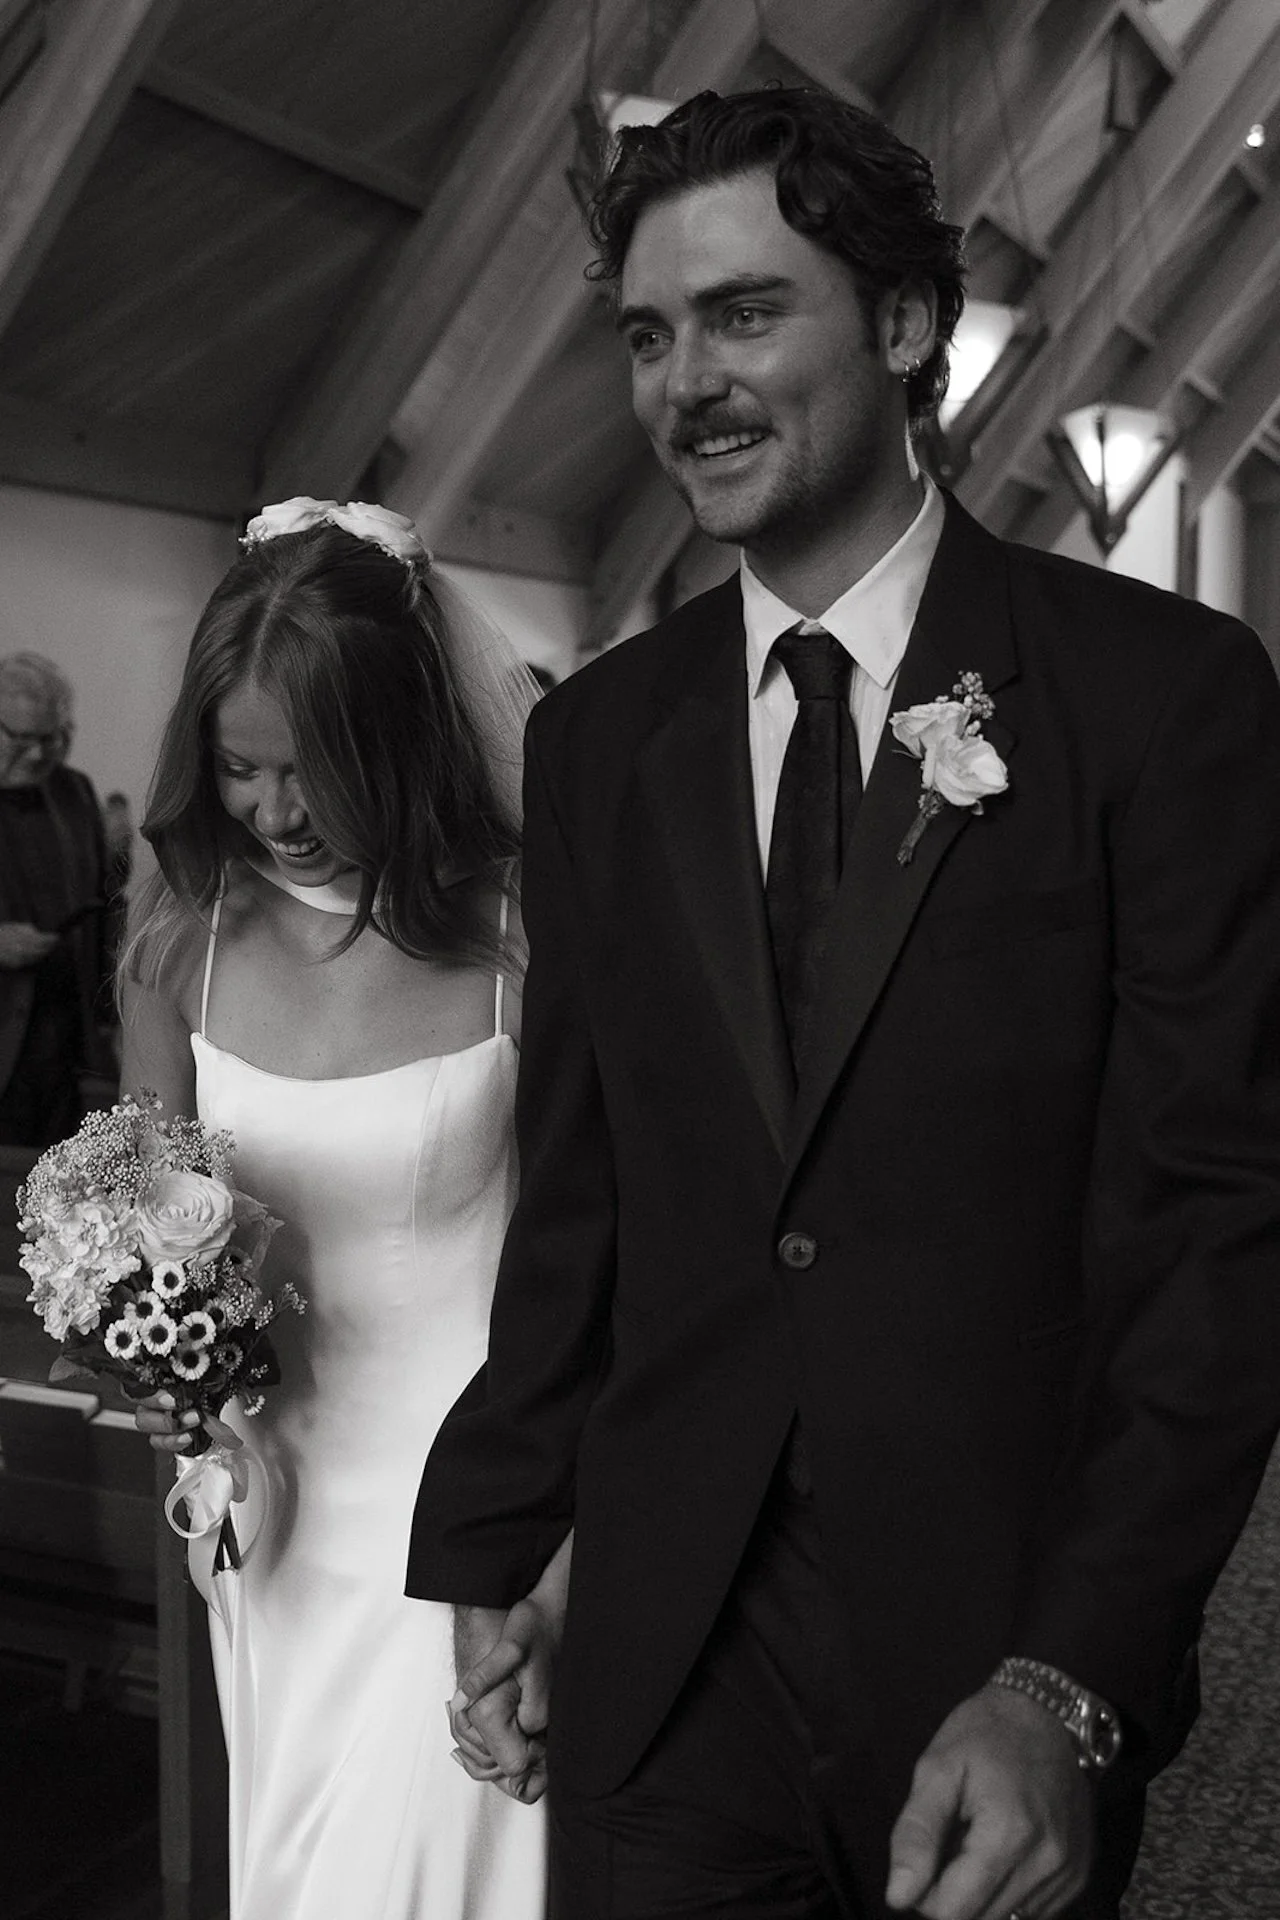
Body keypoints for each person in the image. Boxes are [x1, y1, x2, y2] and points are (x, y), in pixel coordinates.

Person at [407, 88, 1280, 1920]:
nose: (683, 384)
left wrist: (1071, 1673)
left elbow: (1223, 1236)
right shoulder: (597, 744)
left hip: (993, 1658)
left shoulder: (1160, 698)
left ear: (902, 325)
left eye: (744, 314)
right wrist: (510, 1535)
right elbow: (582, 1190)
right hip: (662, 1661)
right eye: (650, 334)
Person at [122, 498, 547, 1920]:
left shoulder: (521, 938)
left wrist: (565, 1549)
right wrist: (154, 1363)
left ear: (399, 747)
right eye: (240, 771)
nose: (274, 813)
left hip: (472, 1507)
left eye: (312, 772)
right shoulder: (187, 940)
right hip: (269, 1503)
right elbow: (135, 1211)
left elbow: (605, 1254)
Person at [0, 652, 114, 1146]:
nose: (39, 755)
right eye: (22, 739)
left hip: (69, 1048)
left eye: (53, 738)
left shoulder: (75, 792)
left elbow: (104, 903)